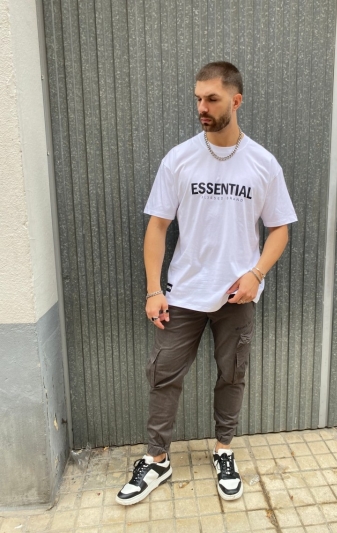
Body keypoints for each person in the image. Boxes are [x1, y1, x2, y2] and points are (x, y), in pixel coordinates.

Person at [116, 61, 297, 506]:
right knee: (163, 375)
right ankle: (157, 459)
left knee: (232, 375)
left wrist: (256, 274)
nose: (202, 107)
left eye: (212, 99)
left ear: (236, 101)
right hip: (183, 293)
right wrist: (154, 289)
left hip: (237, 296)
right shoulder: (179, 158)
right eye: (198, 98)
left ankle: (224, 451)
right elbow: (158, 227)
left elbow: (280, 229)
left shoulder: (263, 163)